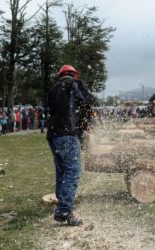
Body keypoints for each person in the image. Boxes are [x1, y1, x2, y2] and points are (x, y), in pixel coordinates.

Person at [46, 65, 94, 226]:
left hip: (53, 135)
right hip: (68, 133)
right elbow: (88, 102)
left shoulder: (53, 89)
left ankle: (63, 204)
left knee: (61, 170)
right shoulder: (75, 84)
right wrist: (86, 123)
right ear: (74, 75)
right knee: (72, 171)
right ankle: (64, 210)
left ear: (60, 75)